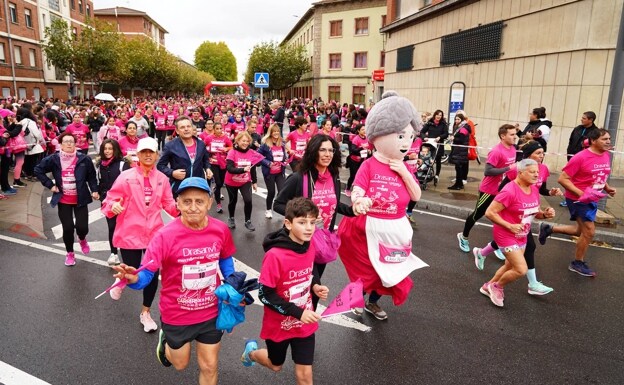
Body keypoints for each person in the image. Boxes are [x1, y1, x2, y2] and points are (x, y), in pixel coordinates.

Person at [113, 177, 237, 385]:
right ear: (178, 204)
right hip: (177, 313)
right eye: (187, 201)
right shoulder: (164, 236)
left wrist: (232, 286)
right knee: (179, 364)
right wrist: (133, 278)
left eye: (199, 201)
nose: (193, 207)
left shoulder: (220, 230)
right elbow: (145, 276)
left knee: (209, 365)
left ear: (209, 203)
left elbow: (225, 260)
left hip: (210, 310)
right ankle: (165, 343)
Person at [337, 91, 424, 320]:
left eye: (410, 136)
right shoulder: (369, 165)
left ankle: (373, 303)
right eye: (400, 136)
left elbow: (416, 196)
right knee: (366, 269)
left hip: (395, 227)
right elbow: (357, 189)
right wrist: (359, 200)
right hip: (367, 227)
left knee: (390, 272)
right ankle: (356, 298)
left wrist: (404, 172)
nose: (406, 143)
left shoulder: (404, 167)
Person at [241, 197, 329, 385]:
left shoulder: (309, 245)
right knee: (275, 365)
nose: (309, 228)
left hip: (304, 323)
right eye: (302, 222)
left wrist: (315, 285)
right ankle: (250, 353)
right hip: (279, 324)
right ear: (288, 224)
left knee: (305, 375)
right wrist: (298, 312)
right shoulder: (275, 256)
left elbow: (310, 268)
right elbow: (265, 295)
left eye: (312, 222)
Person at [102, 137, 178, 333]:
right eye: (143, 151)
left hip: (154, 233)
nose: (147, 155)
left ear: (156, 155)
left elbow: (168, 204)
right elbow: (109, 200)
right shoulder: (126, 176)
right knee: (133, 271)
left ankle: (146, 312)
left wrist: (181, 208)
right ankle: (122, 280)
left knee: (152, 274)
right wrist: (113, 206)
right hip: (130, 232)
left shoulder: (162, 179)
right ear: (138, 153)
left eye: (151, 152)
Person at [473, 141, 563, 295]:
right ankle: (503, 286)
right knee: (521, 266)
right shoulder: (513, 182)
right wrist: (509, 217)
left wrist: (544, 214)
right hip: (508, 227)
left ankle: (486, 276)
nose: (541, 157)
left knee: (509, 265)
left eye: (543, 153)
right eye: (538, 153)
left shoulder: (535, 184)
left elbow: (536, 204)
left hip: (521, 228)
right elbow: (496, 203)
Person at [274, 134, 356, 288]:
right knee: (308, 284)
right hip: (301, 242)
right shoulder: (298, 178)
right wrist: (305, 217)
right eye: (322, 150)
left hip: (324, 240)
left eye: (331, 150)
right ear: (313, 152)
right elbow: (278, 204)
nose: (327, 154)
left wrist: (353, 211)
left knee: (315, 290)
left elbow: (334, 204)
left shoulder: (334, 177)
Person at [538, 128, 616, 277]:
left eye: (609, 139)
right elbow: (563, 179)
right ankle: (577, 263)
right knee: (589, 231)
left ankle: (548, 229)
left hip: (592, 197)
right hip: (578, 199)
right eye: (604, 139)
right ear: (593, 141)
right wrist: (581, 193)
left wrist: (607, 187)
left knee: (580, 231)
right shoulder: (580, 157)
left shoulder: (606, 155)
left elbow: (601, 175)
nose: (608, 142)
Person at [34, 132, 99, 266]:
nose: (69, 144)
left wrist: (94, 190)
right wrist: (50, 185)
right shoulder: (54, 159)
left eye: (71, 141)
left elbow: (92, 176)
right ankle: (70, 253)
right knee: (68, 228)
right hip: (63, 199)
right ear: (61, 145)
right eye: (66, 141)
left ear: (75, 143)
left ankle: (82, 239)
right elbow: (38, 170)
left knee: (82, 227)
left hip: (80, 199)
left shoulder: (84, 159)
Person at [457, 124, 518, 253]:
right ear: (503, 136)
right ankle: (463, 237)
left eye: (515, 134)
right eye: (512, 134)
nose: (515, 137)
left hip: (504, 190)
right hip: (489, 190)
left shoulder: (513, 148)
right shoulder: (496, 151)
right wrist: (508, 168)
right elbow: (488, 171)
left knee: (502, 218)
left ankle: (498, 245)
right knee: (477, 214)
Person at [157, 116, 212, 197]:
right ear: (177, 131)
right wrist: (172, 173)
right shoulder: (170, 146)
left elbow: (205, 161)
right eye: (182, 127)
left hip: (198, 185)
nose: (186, 129)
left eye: (188, 126)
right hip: (179, 186)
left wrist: (208, 169)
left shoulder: (201, 144)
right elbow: (160, 166)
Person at [96, 138, 130, 266]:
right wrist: (98, 193)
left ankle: (127, 253)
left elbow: (129, 182)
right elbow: (100, 182)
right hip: (107, 200)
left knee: (125, 227)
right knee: (112, 227)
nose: (107, 151)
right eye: (105, 149)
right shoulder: (100, 165)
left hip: (123, 201)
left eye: (110, 149)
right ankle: (113, 253)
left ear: (115, 150)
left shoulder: (122, 164)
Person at [225, 131, 261, 231]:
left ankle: (248, 221)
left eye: (247, 141)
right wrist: (243, 169)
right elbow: (229, 168)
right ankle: (231, 218)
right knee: (233, 201)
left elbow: (253, 168)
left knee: (248, 200)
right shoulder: (232, 152)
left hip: (245, 181)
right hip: (231, 182)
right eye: (243, 141)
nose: (245, 143)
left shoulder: (251, 153)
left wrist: (254, 181)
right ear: (238, 141)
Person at [258, 123, 288, 219]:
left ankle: (280, 209)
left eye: (277, 131)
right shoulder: (265, 144)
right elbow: (257, 156)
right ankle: (268, 210)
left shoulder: (281, 143)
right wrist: (268, 163)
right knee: (271, 192)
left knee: (282, 191)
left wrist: (285, 160)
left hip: (279, 172)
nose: (276, 133)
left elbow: (283, 156)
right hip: (269, 173)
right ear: (270, 133)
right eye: (274, 131)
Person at [205, 122, 232, 214]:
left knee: (220, 183)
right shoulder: (209, 138)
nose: (219, 130)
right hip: (213, 163)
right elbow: (204, 148)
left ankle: (215, 189)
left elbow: (231, 147)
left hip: (223, 163)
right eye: (217, 128)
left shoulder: (225, 138)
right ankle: (219, 204)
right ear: (214, 129)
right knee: (218, 182)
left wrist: (226, 149)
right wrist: (209, 150)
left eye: (221, 128)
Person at [419, 109, 448, 180]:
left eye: (440, 115)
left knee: (438, 160)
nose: (438, 116)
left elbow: (446, 134)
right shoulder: (430, 123)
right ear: (435, 115)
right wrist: (424, 137)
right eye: (437, 115)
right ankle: (426, 172)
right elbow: (422, 132)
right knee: (427, 158)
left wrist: (440, 137)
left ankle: (437, 175)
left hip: (438, 144)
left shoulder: (443, 124)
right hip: (430, 144)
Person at [345, 124, 370, 197]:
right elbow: (353, 150)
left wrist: (369, 151)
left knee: (361, 176)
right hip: (354, 161)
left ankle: (359, 190)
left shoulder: (367, 138)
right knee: (353, 176)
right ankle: (348, 188)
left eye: (365, 129)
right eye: (362, 129)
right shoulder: (356, 139)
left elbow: (369, 148)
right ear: (358, 131)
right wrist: (361, 149)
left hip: (363, 161)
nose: (364, 131)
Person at [447, 113, 471, 190]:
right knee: (458, 168)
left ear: (462, 120)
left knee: (459, 168)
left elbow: (461, 139)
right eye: (456, 119)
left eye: (458, 119)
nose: (456, 121)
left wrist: (453, 139)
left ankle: (458, 184)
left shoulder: (464, 128)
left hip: (460, 151)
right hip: (458, 150)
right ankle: (459, 183)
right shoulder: (459, 126)